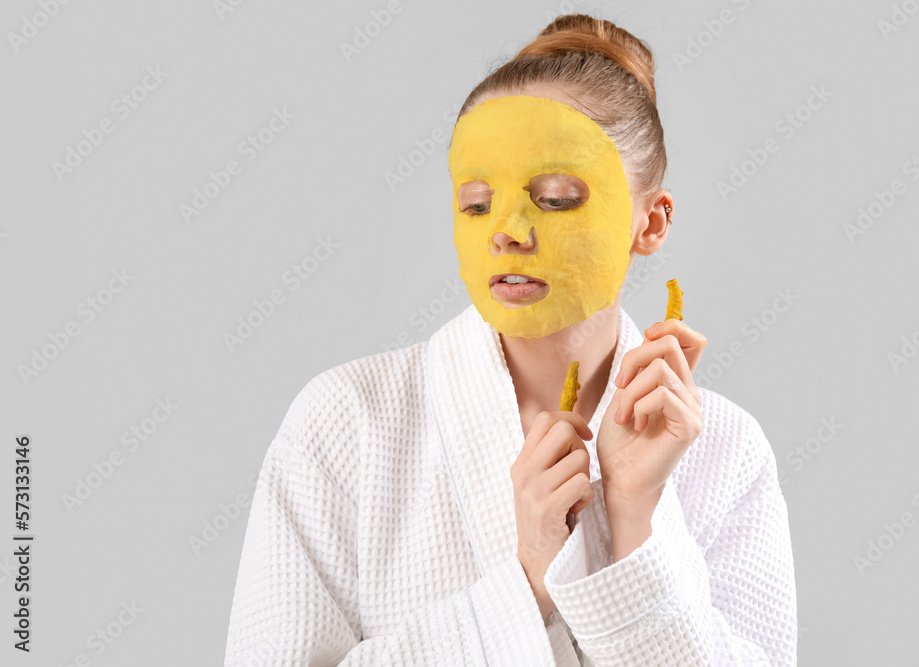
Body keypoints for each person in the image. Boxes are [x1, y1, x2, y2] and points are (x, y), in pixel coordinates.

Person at [224, 13, 797, 667]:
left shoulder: (728, 451)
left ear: (652, 222)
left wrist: (637, 519)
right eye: (475, 202)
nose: (507, 229)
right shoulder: (345, 422)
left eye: (555, 198)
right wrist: (525, 583)